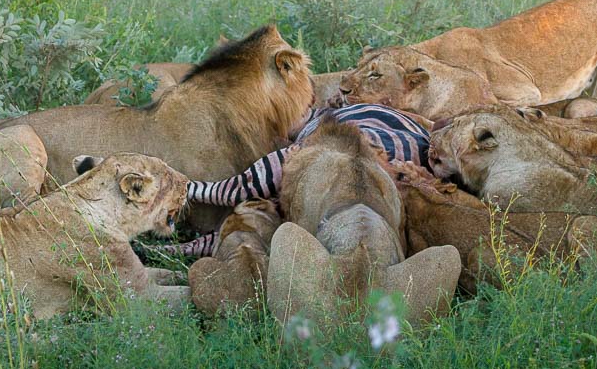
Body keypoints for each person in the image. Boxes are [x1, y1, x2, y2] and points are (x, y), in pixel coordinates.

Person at [160, 103, 431, 259]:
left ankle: (193, 190)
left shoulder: (315, 128)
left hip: (363, 144)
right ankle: (196, 240)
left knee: (274, 178)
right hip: (413, 146)